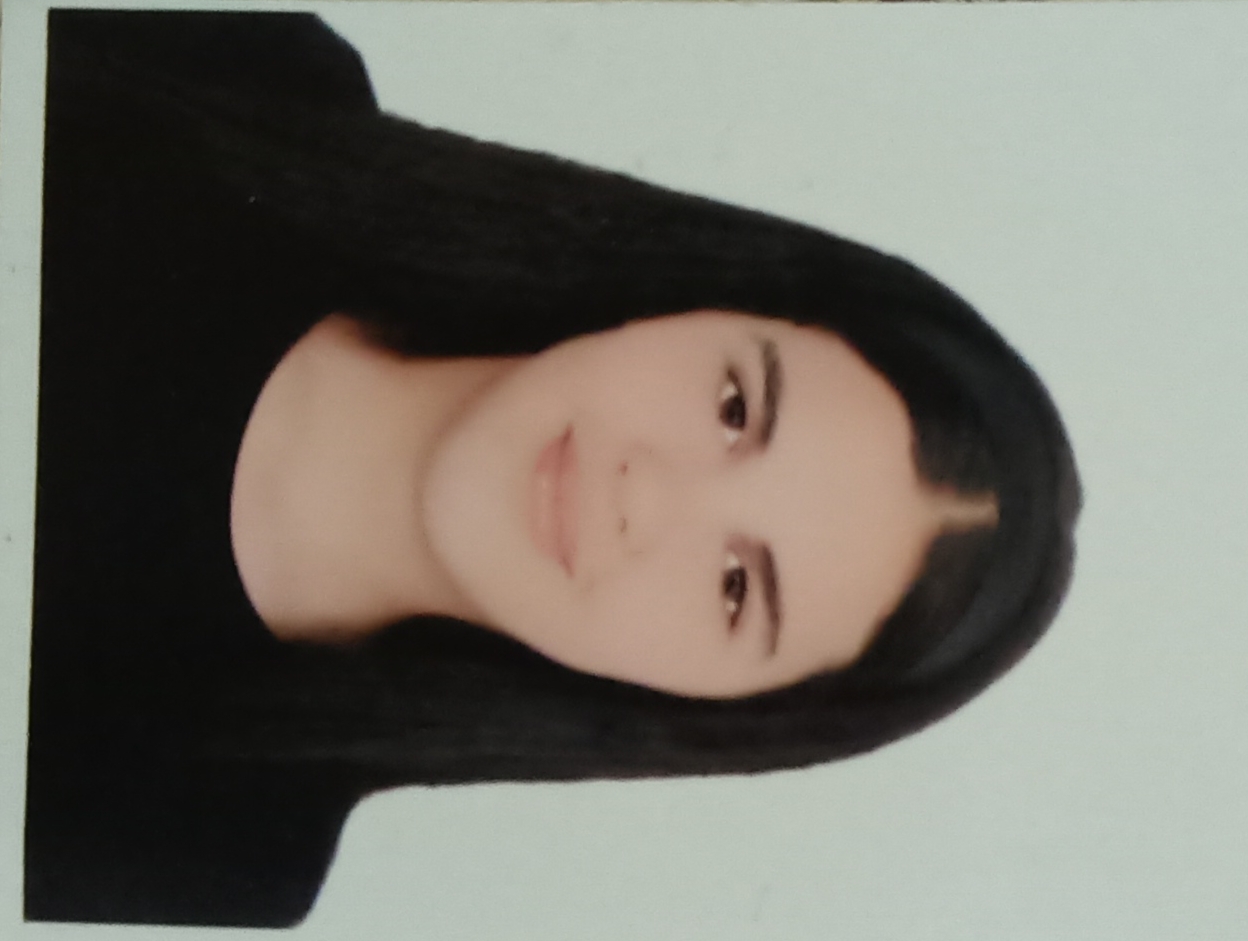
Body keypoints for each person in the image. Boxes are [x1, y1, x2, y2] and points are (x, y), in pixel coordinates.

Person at [26, 9, 1080, 929]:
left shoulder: (222, 832)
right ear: (711, 298)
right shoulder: (265, 92)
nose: (645, 493)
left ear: (710, 707)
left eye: (734, 587)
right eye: (734, 407)